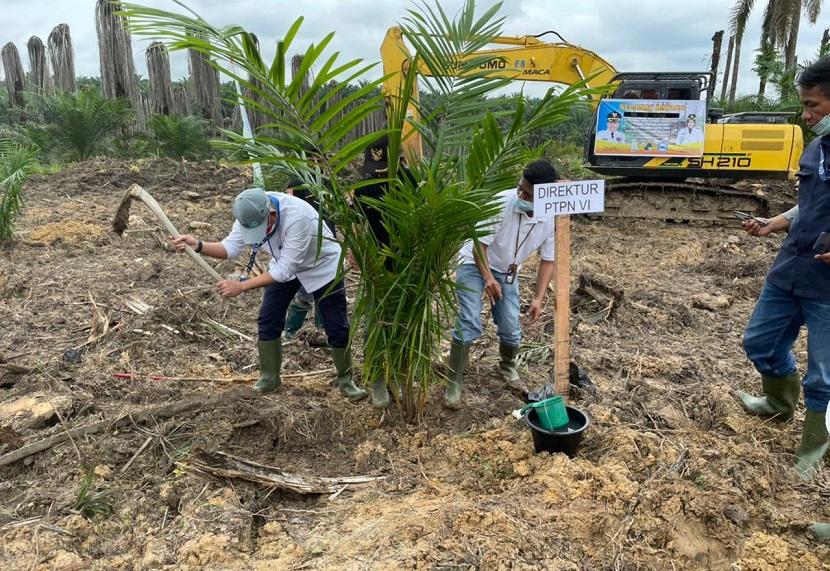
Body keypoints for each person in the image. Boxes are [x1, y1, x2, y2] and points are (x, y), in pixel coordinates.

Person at [171, 187, 367, 401]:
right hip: (284, 263)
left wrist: (241, 286)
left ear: (272, 214)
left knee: (336, 324)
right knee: (268, 318)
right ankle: (269, 379)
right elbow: (230, 248)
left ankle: (346, 382)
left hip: (322, 265)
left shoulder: (298, 217)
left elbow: (285, 271)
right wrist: (198, 245)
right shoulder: (248, 211)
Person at [736, 56, 830, 482]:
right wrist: (777, 221)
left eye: (814, 106)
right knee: (760, 341)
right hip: (793, 264)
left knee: (823, 373)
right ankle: (777, 403)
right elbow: (811, 203)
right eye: (805, 106)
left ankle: (813, 447)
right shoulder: (817, 148)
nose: (807, 116)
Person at [444, 159, 558, 409]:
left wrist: (538, 298)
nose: (521, 194)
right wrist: (487, 278)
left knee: (510, 325)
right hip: (475, 264)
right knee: (470, 319)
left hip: (507, 271)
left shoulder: (552, 217)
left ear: (544, 196)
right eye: (520, 188)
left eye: (527, 193)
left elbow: (548, 261)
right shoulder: (502, 202)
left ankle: (507, 366)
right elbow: (478, 245)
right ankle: (454, 381)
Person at [283, 178, 331, 343]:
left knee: (322, 295)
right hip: (308, 254)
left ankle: (321, 331)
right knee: (306, 295)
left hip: (323, 252)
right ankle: (290, 332)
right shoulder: (302, 185)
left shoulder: (322, 185)